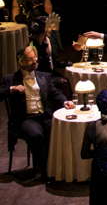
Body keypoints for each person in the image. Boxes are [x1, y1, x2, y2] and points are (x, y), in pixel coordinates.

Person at [0, 46, 75, 179]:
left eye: (35, 59)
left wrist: (65, 101)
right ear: (21, 61)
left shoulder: (44, 76)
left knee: (60, 129)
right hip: (25, 118)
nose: (35, 62)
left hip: (45, 115)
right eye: (30, 60)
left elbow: (55, 93)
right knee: (36, 135)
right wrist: (12, 89)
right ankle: (42, 169)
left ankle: (56, 166)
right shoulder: (10, 79)